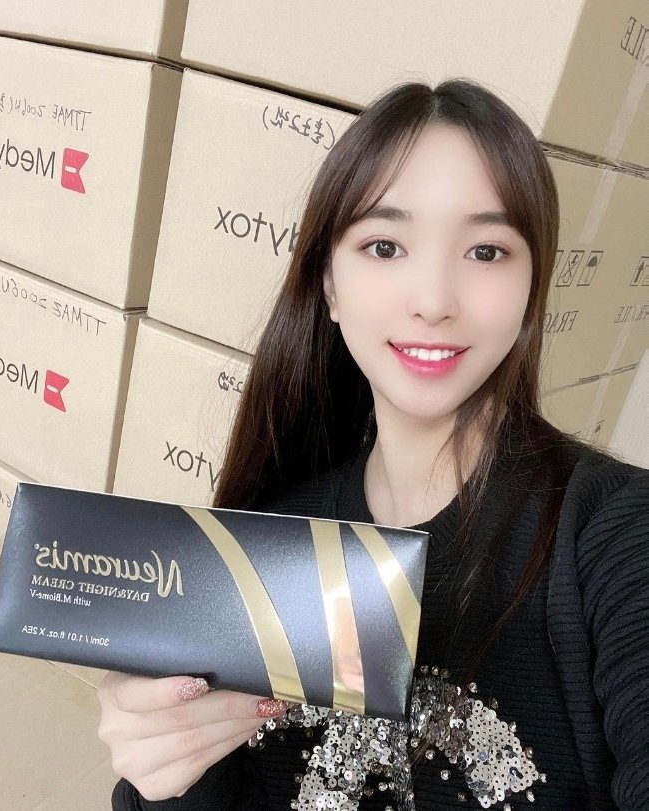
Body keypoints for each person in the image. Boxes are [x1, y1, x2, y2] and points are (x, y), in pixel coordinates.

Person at [98, 80, 649, 810]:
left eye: (486, 251)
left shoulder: (614, 533)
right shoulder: (269, 540)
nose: (434, 299)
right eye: (384, 246)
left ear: (530, 290)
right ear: (329, 285)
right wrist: (165, 774)